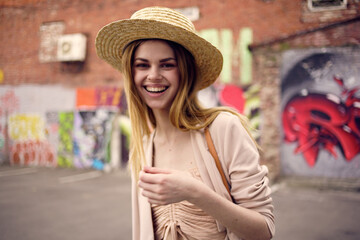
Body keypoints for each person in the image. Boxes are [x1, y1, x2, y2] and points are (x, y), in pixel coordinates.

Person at [96, 6, 275, 240]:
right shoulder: (143, 146)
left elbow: (263, 231)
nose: (153, 75)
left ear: (185, 71)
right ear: (131, 74)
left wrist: (194, 192)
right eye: (142, 65)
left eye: (167, 64)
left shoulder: (223, 128)